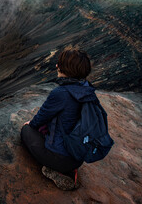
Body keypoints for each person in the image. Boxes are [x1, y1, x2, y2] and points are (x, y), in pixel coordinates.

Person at [20, 48, 97, 191]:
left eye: (59, 63)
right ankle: (69, 168)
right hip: (78, 157)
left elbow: (42, 116)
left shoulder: (61, 93)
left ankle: (56, 171)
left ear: (64, 69)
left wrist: (32, 124)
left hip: (60, 158)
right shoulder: (87, 89)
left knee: (26, 130)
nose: (56, 66)